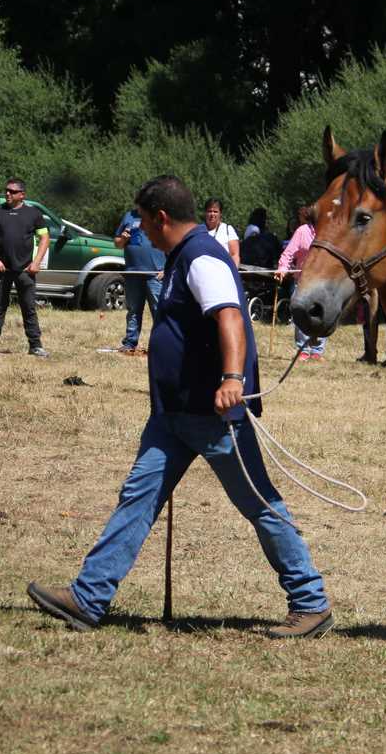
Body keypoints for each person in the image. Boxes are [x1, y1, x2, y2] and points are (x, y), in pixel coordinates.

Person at [26, 174, 332, 639]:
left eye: (144, 221)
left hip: (212, 416)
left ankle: (311, 602)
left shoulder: (203, 258)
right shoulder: (182, 257)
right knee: (138, 497)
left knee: (260, 505)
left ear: (162, 217)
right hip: (173, 416)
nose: (141, 230)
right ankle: (89, 598)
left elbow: (229, 316)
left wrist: (232, 379)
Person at [0, 177, 50, 357]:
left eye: (12, 191)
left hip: (25, 270)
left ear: (22, 195)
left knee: (29, 308)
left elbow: (45, 238)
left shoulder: (33, 214)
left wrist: (36, 262)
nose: (7, 193)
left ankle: (35, 346)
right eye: (6, 190)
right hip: (2, 270)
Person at [276, 205, 324, 360]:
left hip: (323, 281)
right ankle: (303, 349)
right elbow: (289, 253)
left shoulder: (329, 232)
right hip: (302, 279)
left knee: (321, 315)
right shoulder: (302, 231)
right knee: (301, 313)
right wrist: (282, 268)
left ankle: (317, 351)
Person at [114, 202, 162, 355]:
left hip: (156, 274)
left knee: (159, 310)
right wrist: (123, 238)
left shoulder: (160, 216)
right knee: (133, 310)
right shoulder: (129, 216)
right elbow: (117, 244)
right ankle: (129, 343)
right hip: (133, 273)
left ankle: (162, 344)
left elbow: (173, 242)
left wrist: (168, 268)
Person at [203, 197, 240, 265]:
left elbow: (234, 254)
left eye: (215, 211)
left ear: (220, 214)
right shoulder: (199, 230)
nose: (212, 214)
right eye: (209, 211)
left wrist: (233, 272)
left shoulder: (228, 229)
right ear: (205, 213)